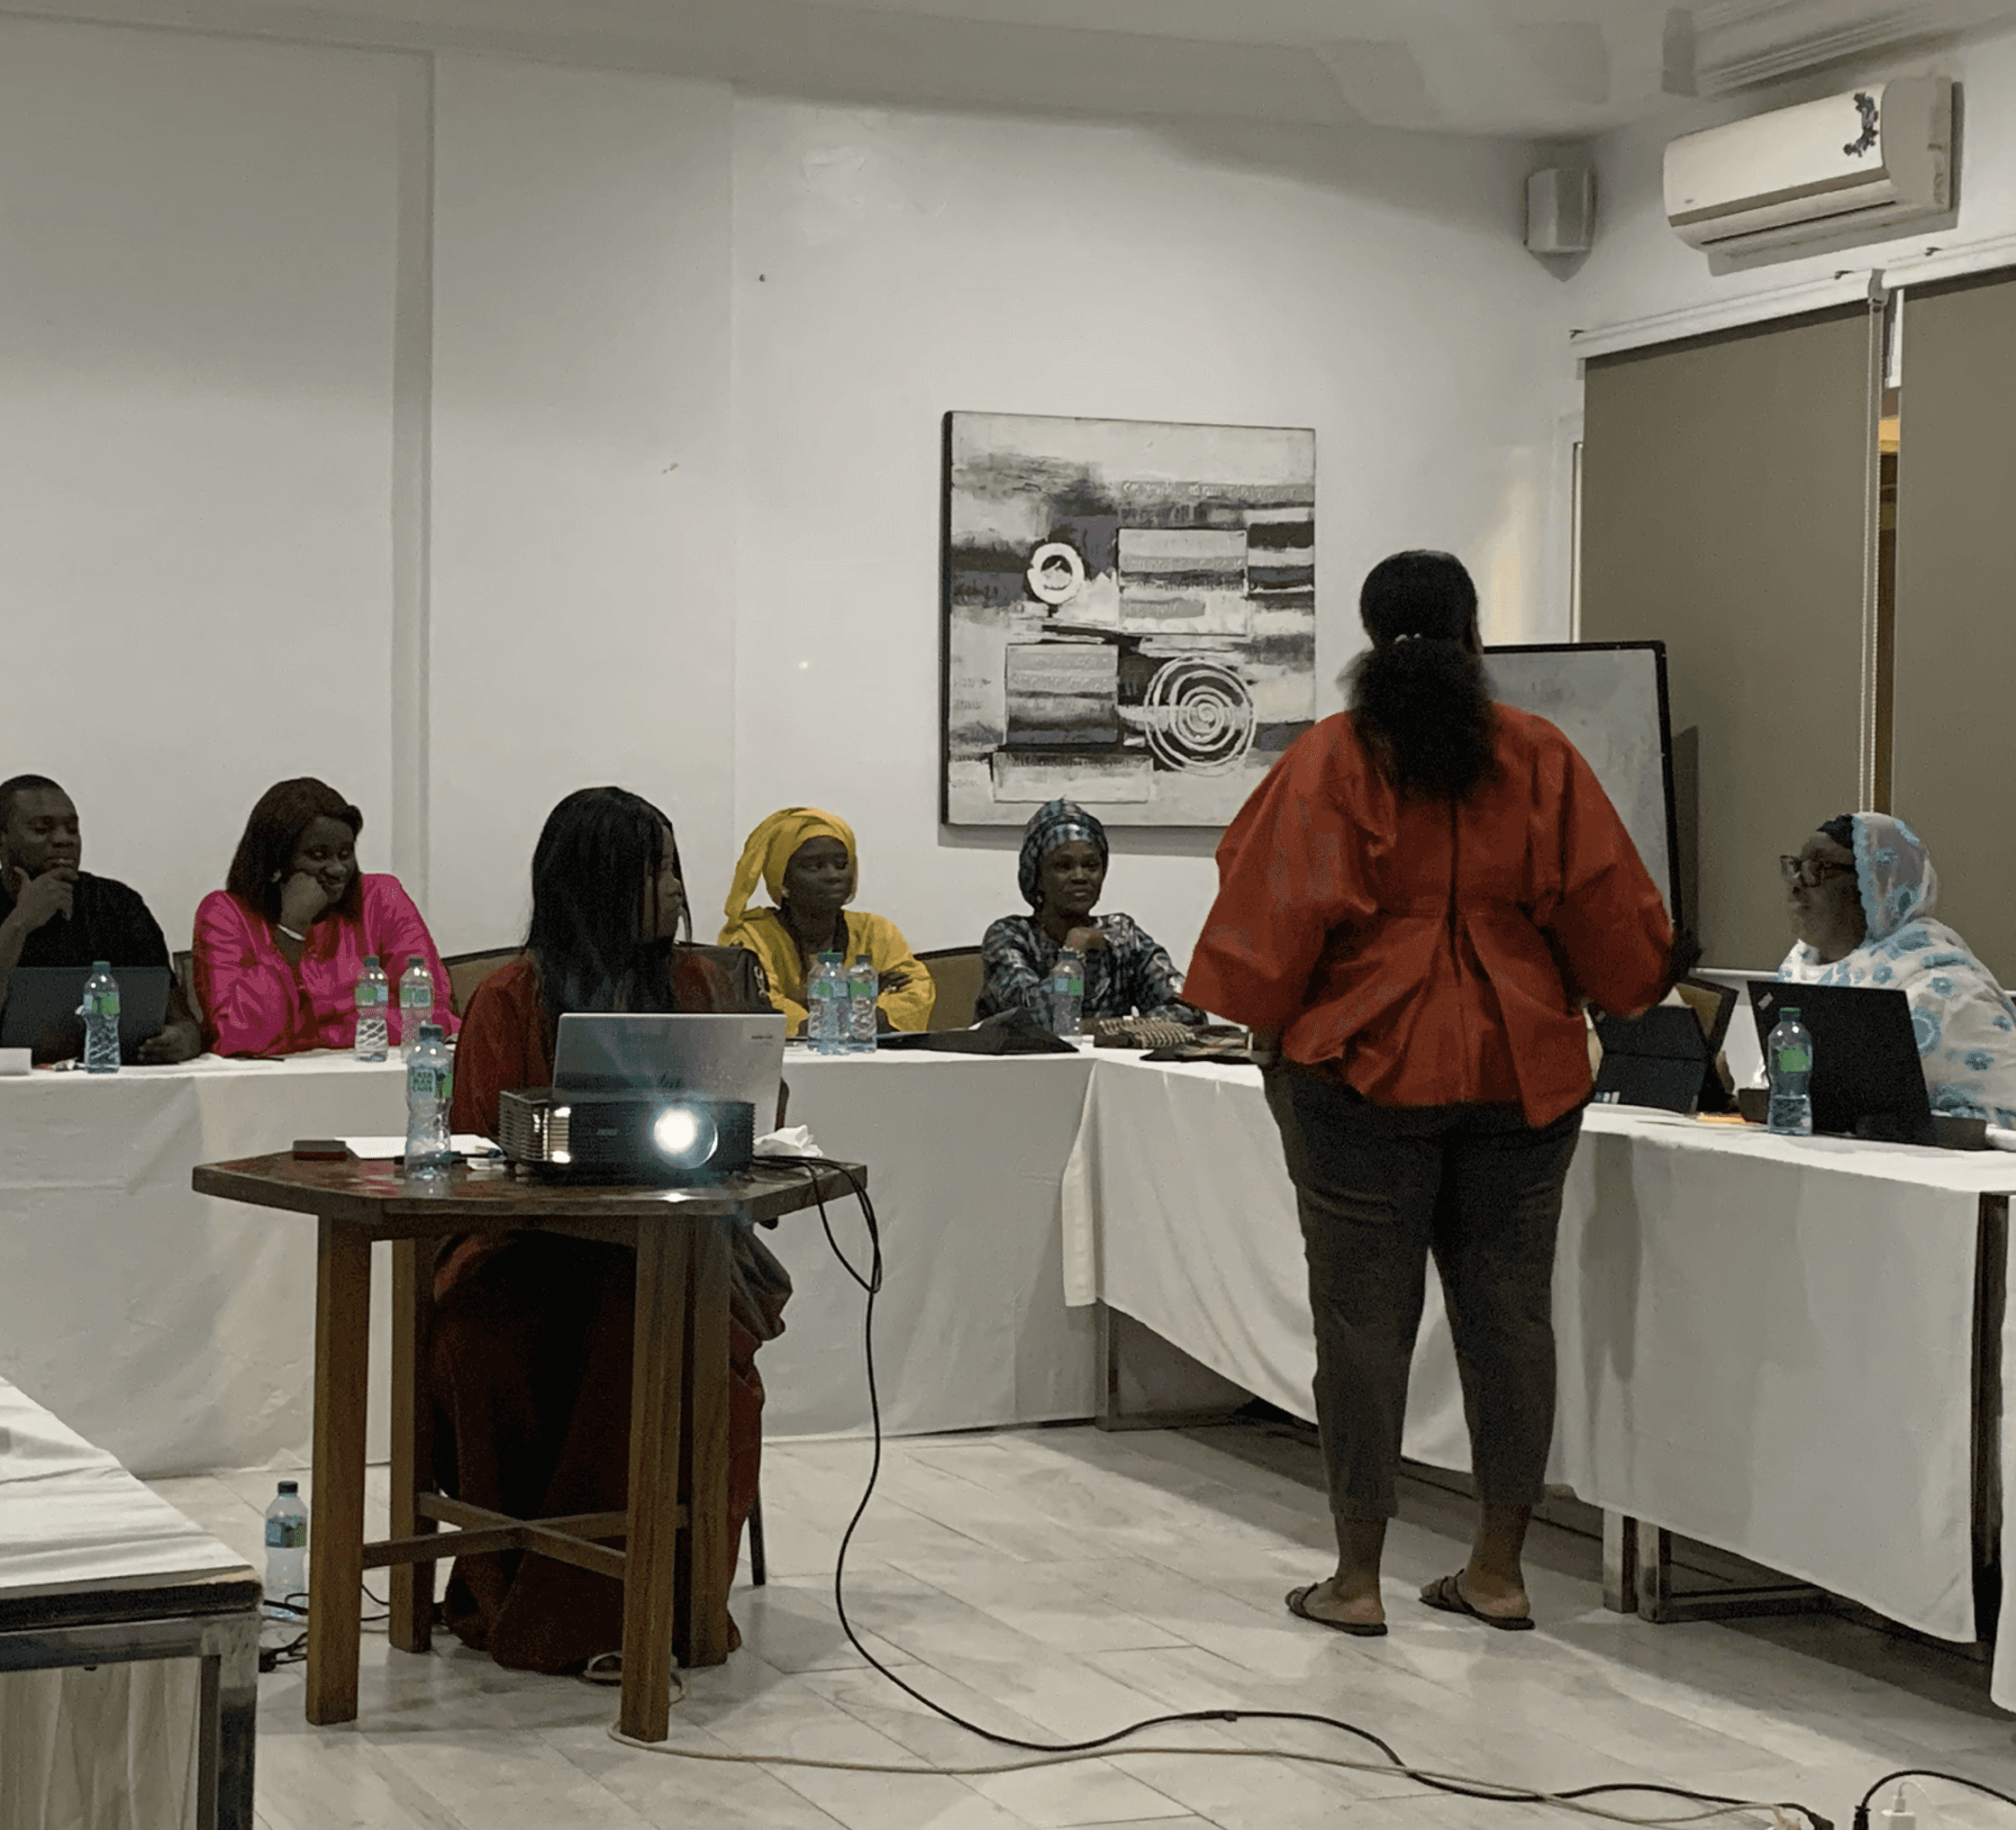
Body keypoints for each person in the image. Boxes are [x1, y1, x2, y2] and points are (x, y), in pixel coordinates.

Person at [1188, 553, 1675, 1639]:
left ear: (1366, 633)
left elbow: (1269, 911)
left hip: (1361, 1066)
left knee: (1360, 1322)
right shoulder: (1540, 757)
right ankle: (1498, 1571)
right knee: (1511, 1319)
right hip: (1520, 1070)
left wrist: (1273, 1028)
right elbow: (1614, 918)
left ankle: (1356, 1580)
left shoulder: (1334, 756)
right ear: (1475, 636)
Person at [425, 788, 782, 1675]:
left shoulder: (702, 984)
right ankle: (543, 1602)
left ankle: (656, 1603)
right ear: (599, 882)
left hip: (679, 1251)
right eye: (654, 869)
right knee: (485, 1338)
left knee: (650, 1318)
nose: (674, 889)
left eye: (672, 867)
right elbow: (476, 1152)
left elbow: (750, 1120)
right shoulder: (509, 999)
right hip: (527, 1251)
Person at [1775, 812, 2016, 1136]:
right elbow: (1793, 1088)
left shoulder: (1943, 986)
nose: (1796, 883)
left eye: (1817, 870)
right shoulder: (1798, 968)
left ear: (1877, 884)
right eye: (1795, 867)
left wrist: (1901, 1128)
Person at [0, 775, 199, 1062]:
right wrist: (20, 923)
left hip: (109, 1085)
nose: (63, 840)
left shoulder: (119, 904)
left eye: (72, 830)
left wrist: (184, 1040)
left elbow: (182, 1020)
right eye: (42, 829)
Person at [192, 778, 450, 1057]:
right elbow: (241, 1036)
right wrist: (292, 928)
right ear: (275, 860)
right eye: (318, 855)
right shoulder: (224, 914)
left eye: (345, 853)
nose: (338, 869)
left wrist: (312, 1032)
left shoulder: (381, 898)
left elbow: (431, 1014)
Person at [978, 799, 1215, 1037]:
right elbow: (1049, 1020)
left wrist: (1107, 1029)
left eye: (1091, 865)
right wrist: (1073, 953)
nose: (1080, 877)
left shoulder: (1121, 934)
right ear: (1037, 876)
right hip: (1018, 1071)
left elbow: (1189, 1011)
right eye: (1063, 866)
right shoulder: (1009, 937)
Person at [718, 808, 931, 1037]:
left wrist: (845, 1016)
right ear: (782, 879)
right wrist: (859, 1000)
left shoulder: (876, 931)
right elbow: (761, 1004)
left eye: (841, 864)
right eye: (814, 866)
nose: (833, 876)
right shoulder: (750, 936)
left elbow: (916, 990)